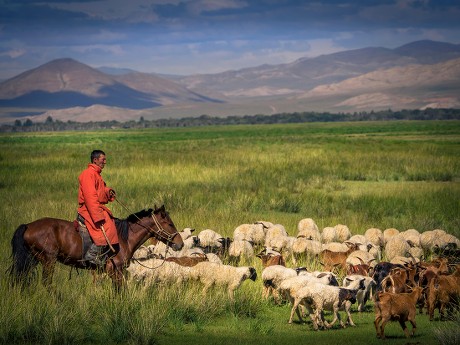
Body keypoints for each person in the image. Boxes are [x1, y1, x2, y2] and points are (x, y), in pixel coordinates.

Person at [77, 150, 118, 265]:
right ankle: (92, 255)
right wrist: (98, 216)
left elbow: (99, 191)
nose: (105, 162)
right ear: (95, 160)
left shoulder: (96, 174)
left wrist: (108, 191)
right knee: (108, 229)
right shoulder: (88, 174)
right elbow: (90, 197)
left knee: (112, 224)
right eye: (103, 159)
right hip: (89, 210)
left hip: (94, 208)